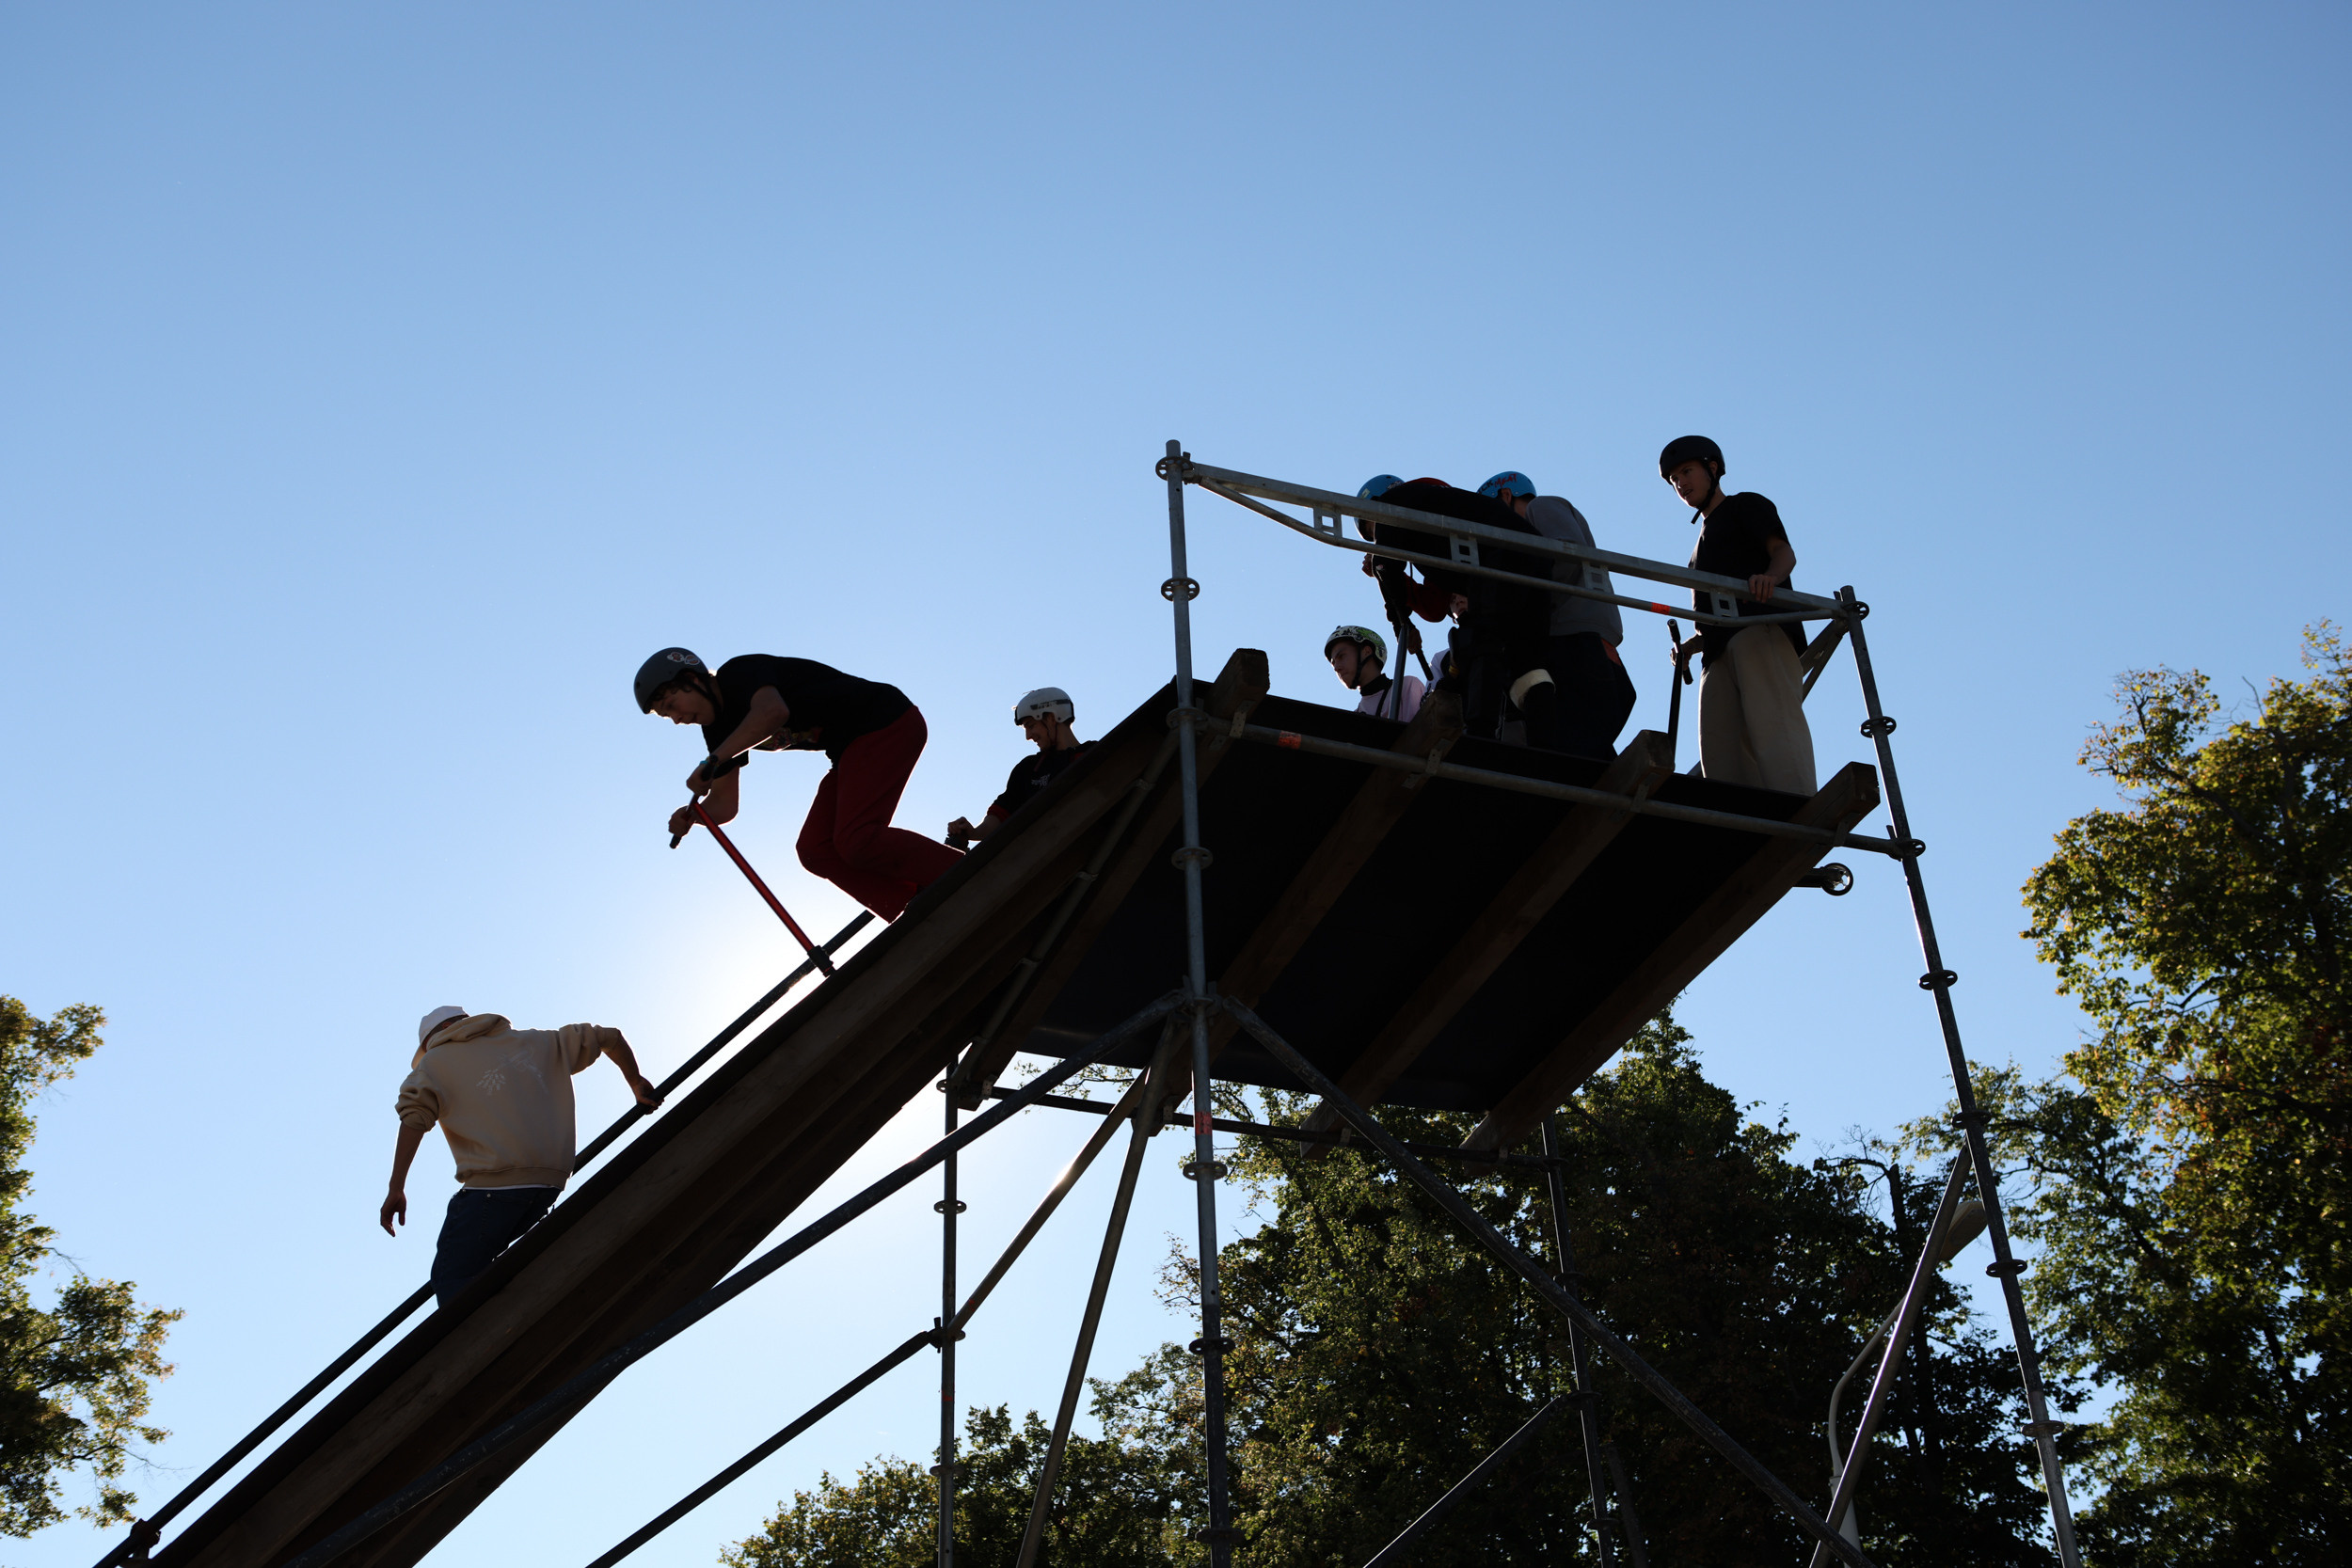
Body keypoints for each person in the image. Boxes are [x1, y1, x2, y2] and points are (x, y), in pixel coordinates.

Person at [636, 648, 963, 921]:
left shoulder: (738, 673)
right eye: (668, 716)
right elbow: (725, 803)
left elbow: (772, 712)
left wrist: (713, 761)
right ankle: (913, 904)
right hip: (849, 752)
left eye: (671, 706)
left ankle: (966, 872)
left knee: (856, 839)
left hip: (884, 722)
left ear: (692, 681)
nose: (677, 719)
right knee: (815, 850)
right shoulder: (718, 733)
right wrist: (693, 816)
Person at [382, 1006, 660, 1309]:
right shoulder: (535, 1041)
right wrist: (635, 1081)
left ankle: (481, 1348)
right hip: (549, 1184)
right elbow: (608, 1037)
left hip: (494, 1187)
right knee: (491, 1265)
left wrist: (397, 1187)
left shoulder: (434, 1063)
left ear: (442, 1031)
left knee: (451, 1276)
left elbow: (414, 1118)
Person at [1659, 436, 1817, 794]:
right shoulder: (1696, 553)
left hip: (1758, 630)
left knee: (1774, 725)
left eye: (1687, 471)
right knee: (1718, 749)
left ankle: (1798, 811)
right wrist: (1691, 647)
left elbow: (1783, 551)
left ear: (1712, 468)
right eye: (1674, 480)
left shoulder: (1746, 505)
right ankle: (1743, 827)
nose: (1681, 483)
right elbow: (1711, 617)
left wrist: (1771, 578)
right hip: (1716, 655)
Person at [1353, 474, 1549, 743]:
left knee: (1480, 642)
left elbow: (1385, 564)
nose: (1376, 539)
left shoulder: (1394, 504)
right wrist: (1401, 591)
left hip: (1501, 560)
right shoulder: (1441, 524)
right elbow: (1435, 606)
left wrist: (1401, 623)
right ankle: (1547, 739)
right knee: (1526, 662)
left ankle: (1480, 738)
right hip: (1533, 565)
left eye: (1372, 531)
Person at [1477, 472, 1638, 758]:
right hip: (1592, 648)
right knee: (1581, 746)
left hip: (1575, 644)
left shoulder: (1542, 507)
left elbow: (1566, 554)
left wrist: (1522, 604)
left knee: (1571, 748)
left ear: (1506, 496)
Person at [947, 687, 1096, 847]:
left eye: (1031, 726)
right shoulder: (1028, 768)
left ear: (1052, 718)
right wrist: (974, 832)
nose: (1028, 736)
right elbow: (1002, 812)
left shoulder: (1096, 754)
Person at [1324, 625, 1425, 722]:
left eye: (1341, 656)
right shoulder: (1355, 717)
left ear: (1367, 651)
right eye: (1334, 663)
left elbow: (1421, 735)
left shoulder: (1407, 687)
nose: (1336, 668)